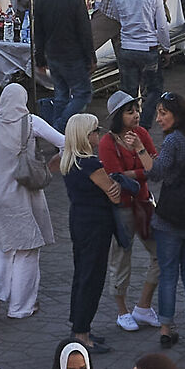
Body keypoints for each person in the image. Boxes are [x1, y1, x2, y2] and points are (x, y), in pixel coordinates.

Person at [0, 83, 65, 320]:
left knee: (3, 244)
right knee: (27, 250)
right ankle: (21, 307)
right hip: (24, 193)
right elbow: (63, 141)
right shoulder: (31, 122)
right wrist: (55, 162)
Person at [146, 93, 185, 352]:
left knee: (169, 275)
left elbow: (156, 172)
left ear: (177, 115)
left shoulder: (173, 141)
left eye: (163, 113)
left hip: (170, 220)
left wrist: (139, 149)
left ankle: (165, 329)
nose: (158, 119)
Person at [97, 92, 161, 335]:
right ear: (117, 116)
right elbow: (114, 176)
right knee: (121, 258)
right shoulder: (107, 143)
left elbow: (155, 169)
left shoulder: (142, 134)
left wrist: (136, 161)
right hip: (121, 207)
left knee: (162, 254)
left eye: (137, 110)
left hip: (144, 204)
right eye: (130, 111)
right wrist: (139, 170)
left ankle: (143, 305)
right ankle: (122, 310)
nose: (136, 115)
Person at [60, 114, 121, 353]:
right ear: (86, 136)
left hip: (79, 221)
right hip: (96, 225)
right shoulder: (91, 164)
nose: (99, 134)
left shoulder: (69, 161)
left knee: (82, 274)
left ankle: (79, 325)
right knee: (92, 277)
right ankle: (82, 333)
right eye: (95, 130)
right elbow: (113, 194)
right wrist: (116, 185)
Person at [33, 0, 97, 130]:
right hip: (72, 55)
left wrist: (40, 59)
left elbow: (38, 32)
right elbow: (84, 31)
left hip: (53, 55)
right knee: (83, 94)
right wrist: (91, 58)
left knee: (61, 95)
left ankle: (57, 134)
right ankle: (60, 127)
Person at [106, 0, 171, 94]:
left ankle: (132, 109)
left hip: (127, 47)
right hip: (148, 47)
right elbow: (161, 26)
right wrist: (166, 48)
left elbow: (117, 16)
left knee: (129, 94)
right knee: (152, 93)